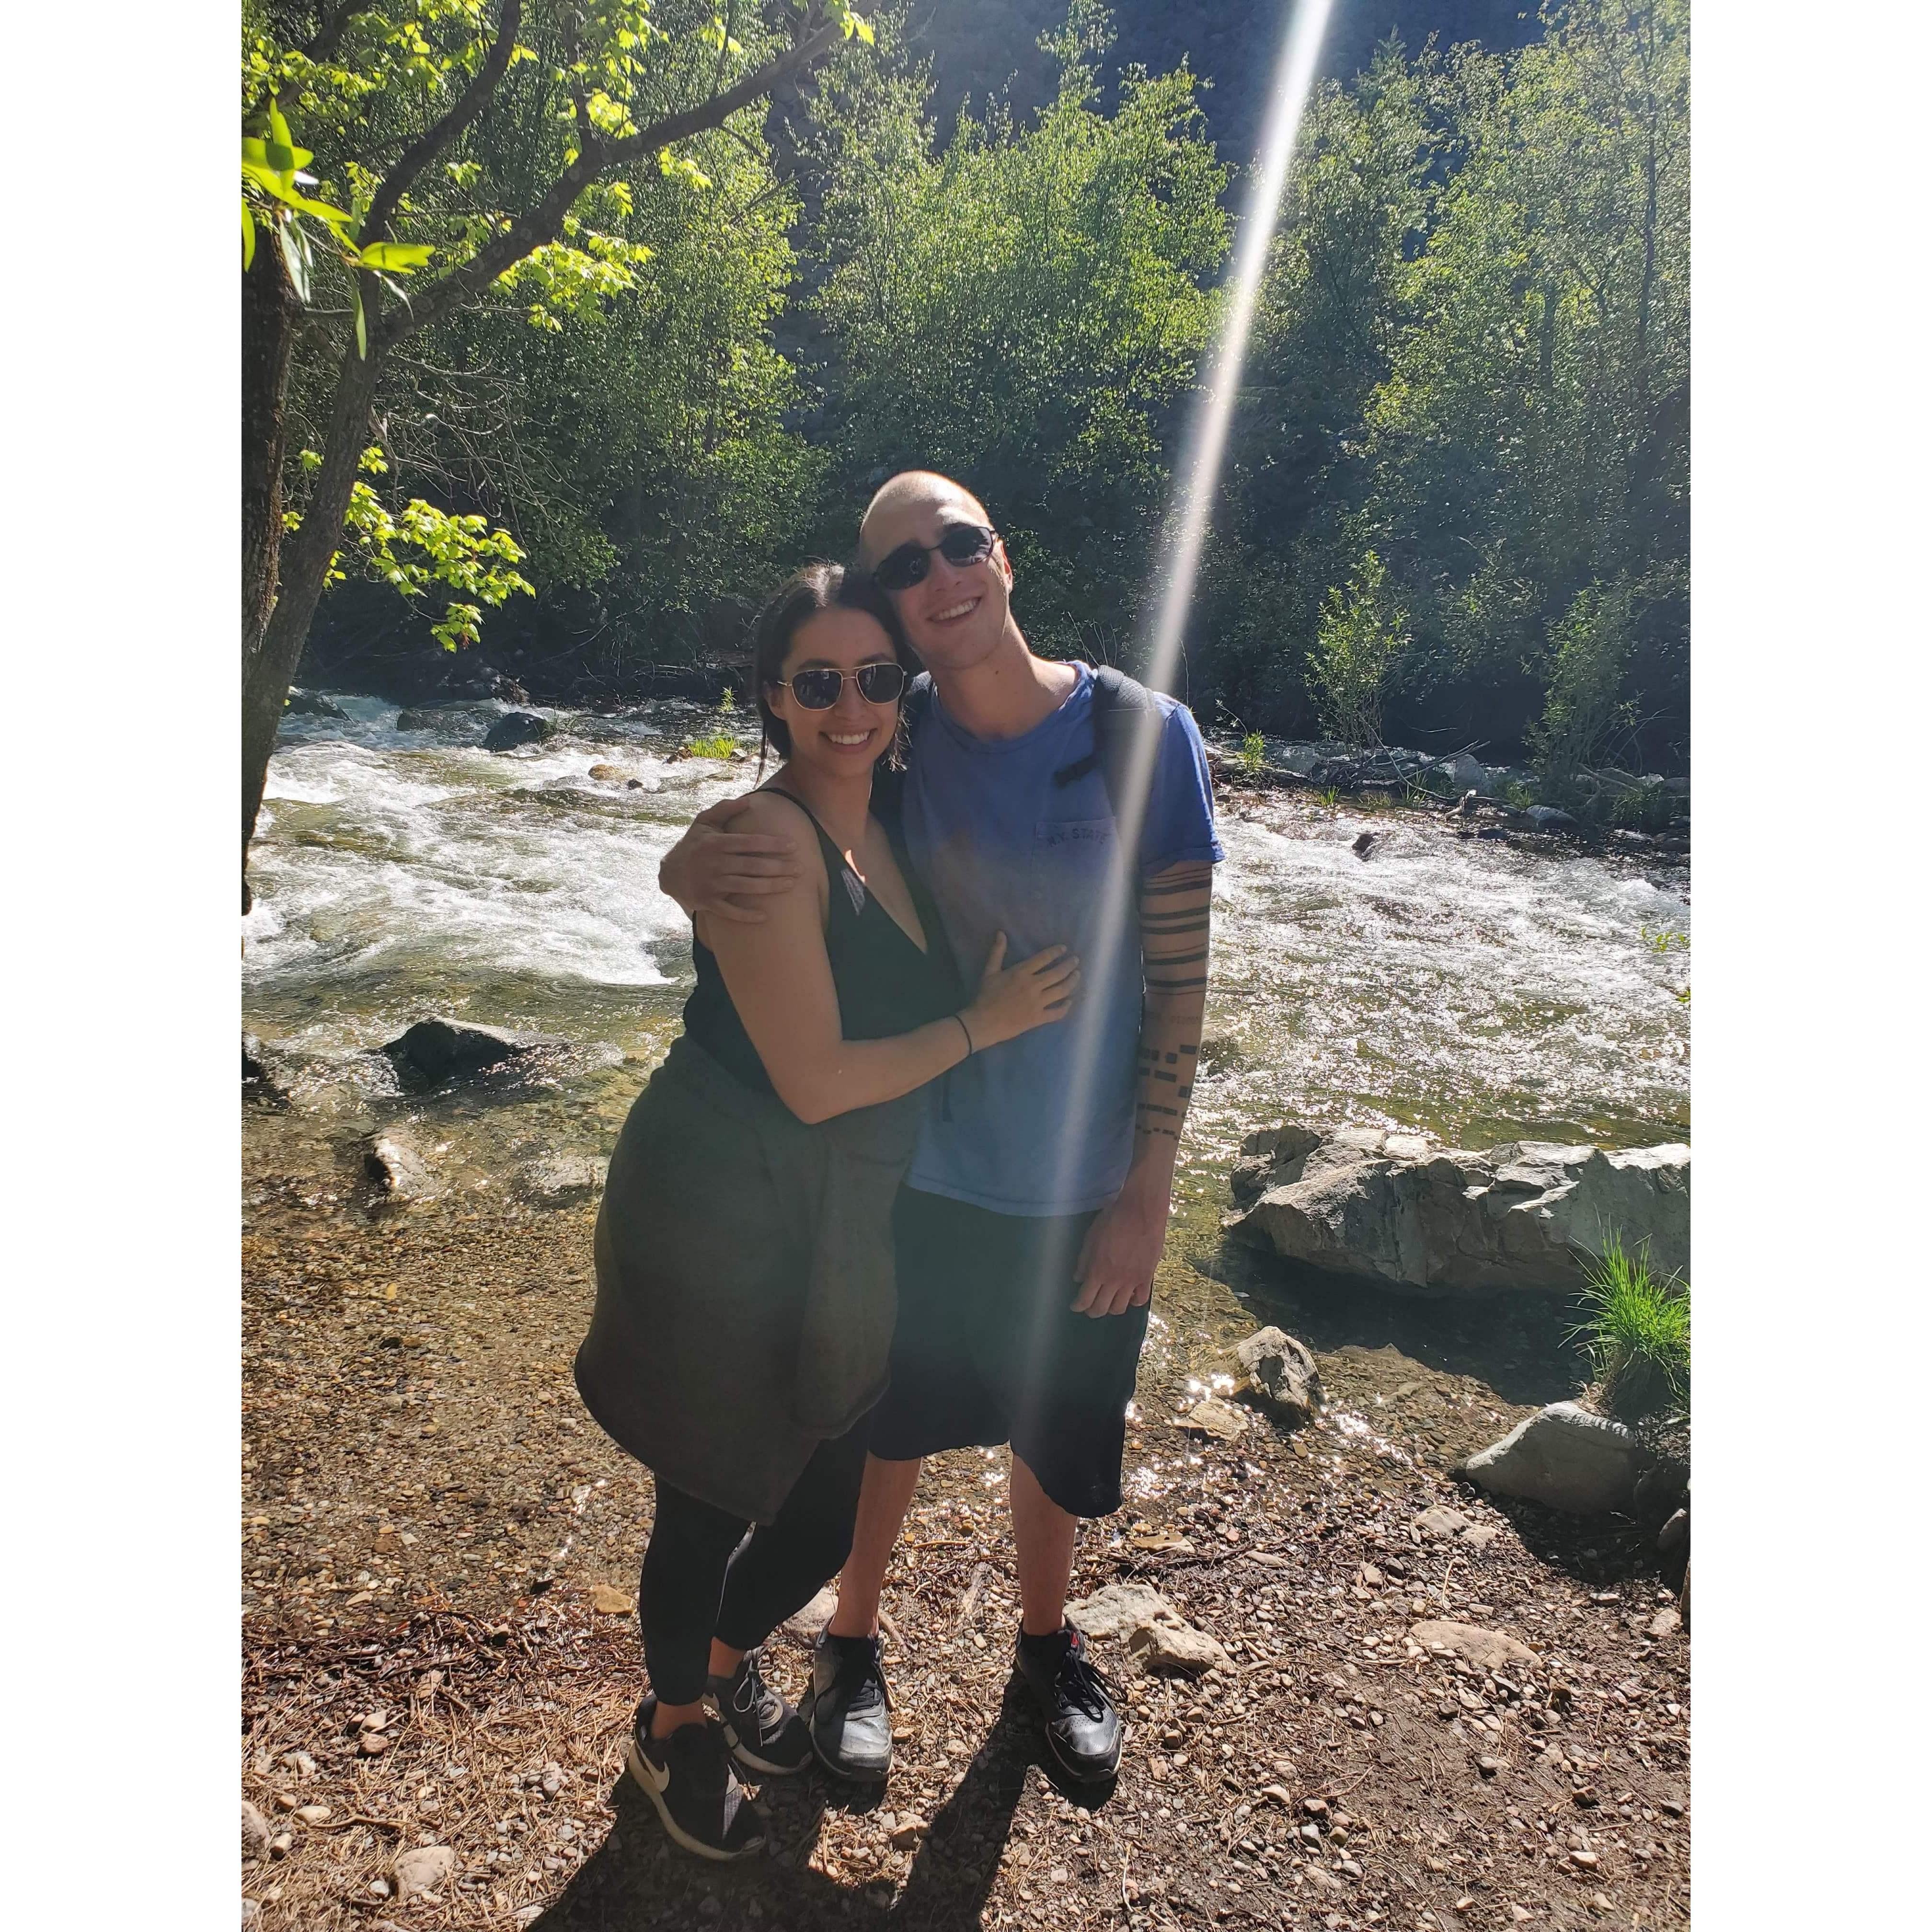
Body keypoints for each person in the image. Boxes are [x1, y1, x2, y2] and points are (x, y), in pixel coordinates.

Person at [658, 473, 1221, 1790]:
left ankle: (1044, 1648)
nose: (939, 577)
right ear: (890, 611)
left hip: (1085, 1182)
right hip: (914, 1171)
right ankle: (850, 1647)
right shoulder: (888, 730)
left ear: (1003, 556)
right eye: (904, 568)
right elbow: (778, 824)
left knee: (1060, 1428)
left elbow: (1183, 978)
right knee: (886, 1429)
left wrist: (1150, 1191)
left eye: (959, 544)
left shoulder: (1144, 735)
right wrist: (685, 864)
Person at [575, 562, 1080, 1861]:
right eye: (819, 683)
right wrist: (983, 1022)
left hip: (844, 1206)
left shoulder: (895, 809)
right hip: (725, 1197)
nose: (851, 705)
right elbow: (813, 1082)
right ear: (773, 697)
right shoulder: (765, 840)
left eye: (874, 677)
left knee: (832, 1469)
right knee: (709, 1487)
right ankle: (673, 1728)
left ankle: (724, 1659)